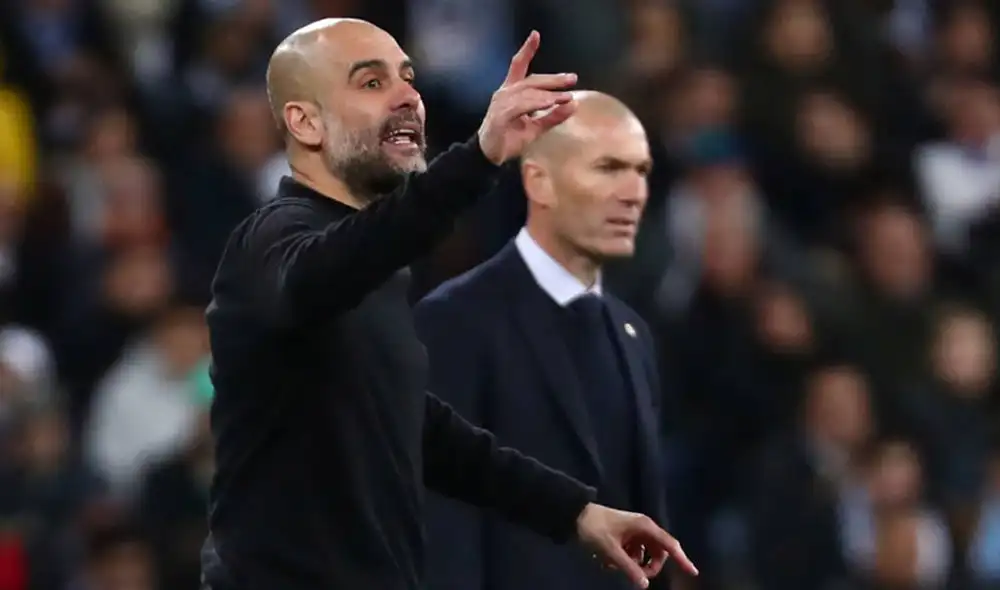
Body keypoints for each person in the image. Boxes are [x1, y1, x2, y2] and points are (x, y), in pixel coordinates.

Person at [200, 18, 697, 590]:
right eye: (371, 82)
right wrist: (478, 157)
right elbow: (328, 271)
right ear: (305, 121)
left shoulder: (375, 271)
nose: (408, 96)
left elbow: (422, 428)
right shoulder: (270, 244)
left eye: (409, 79)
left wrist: (577, 513)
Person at [415, 91, 670, 590]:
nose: (633, 192)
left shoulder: (634, 332)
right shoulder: (455, 320)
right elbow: (446, 524)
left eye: (641, 171)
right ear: (539, 180)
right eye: (609, 167)